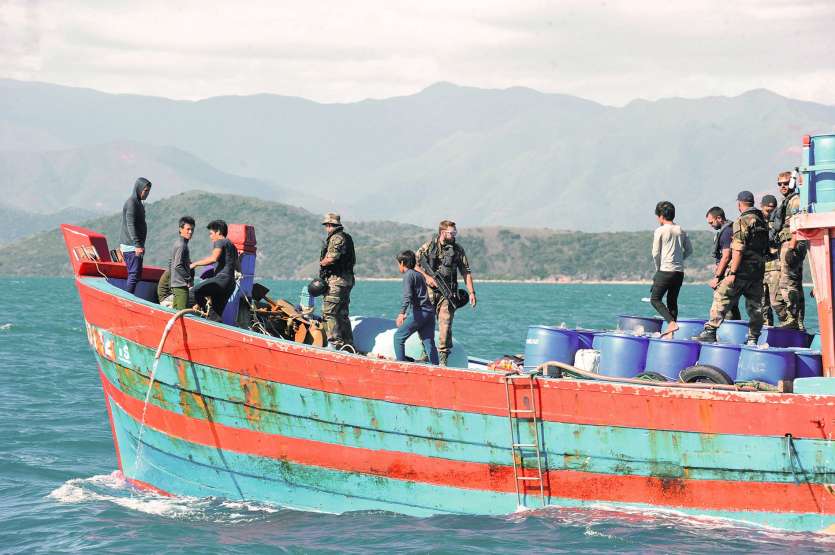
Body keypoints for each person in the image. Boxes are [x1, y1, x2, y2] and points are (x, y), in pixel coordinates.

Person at [695, 191, 768, 345]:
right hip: (757, 272)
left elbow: (737, 249)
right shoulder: (762, 221)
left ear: (739, 204)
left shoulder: (742, 221)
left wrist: (732, 272)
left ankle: (710, 331)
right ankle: (753, 337)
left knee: (721, 296)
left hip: (741, 270)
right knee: (755, 306)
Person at [415, 220, 476, 366]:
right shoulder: (428, 246)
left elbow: (465, 272)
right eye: (451, 232)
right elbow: (414, 263)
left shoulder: (458, 250)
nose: (454, 235)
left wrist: (471, 292)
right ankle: (425, 351)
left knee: (445, 325)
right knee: (424, 322)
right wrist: (427, 277)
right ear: (443, 232)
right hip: (429, 291)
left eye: (455, 232)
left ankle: (443, 357)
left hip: (447, 292)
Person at [651, 201, 692, 337]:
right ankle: (670, 334)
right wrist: (679, 259)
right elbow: (689, 250)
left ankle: (671, 323)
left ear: (661, 216)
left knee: (655, 299)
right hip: (679, 272)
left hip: (665, 270)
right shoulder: (681, 230)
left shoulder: (660, 230)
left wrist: (658, 269)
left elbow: (655, 253)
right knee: (672, 301)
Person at [393, 250, 440, 365]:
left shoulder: (408, 275)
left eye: (398, 263)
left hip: (420, 313)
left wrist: (402, 313)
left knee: (398, 337)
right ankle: (436, 367)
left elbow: (407, 296)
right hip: (429, 313)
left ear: (403, 263)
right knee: (428, 342)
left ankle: (401, 365)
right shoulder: (419, 275)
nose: (398, 266)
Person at [773, 171, 807, 329]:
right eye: (779, 184)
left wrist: (792, 246)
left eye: (785, 183)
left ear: (792, 183)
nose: (782, 186)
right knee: (795, 284)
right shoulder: (788, 201)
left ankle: (792, 319)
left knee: (787, 283)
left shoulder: (795, 201)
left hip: (791, 243)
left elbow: (799, 224)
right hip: (788, 243)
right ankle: (798, 322)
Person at [319, 213, 356, 349]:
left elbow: (332, 258)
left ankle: (335, 343)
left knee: (329, 313)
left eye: (326, 226)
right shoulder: (346, 237)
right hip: (346, 280)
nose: (326, 228)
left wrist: (322, 263)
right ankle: (348, 344)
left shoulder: (336, 238)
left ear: (329, 225)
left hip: (337, 281)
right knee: (342, 313)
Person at [191, 220, 238, 319]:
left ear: (218, 232)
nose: (210, 236)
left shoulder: (219, 241)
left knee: (196, 290)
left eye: (211, 233)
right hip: (231, 284)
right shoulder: (233, 246)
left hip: (222, 280)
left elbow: (213, 258)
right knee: (215, 316)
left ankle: (201, 308)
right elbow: (238, 267)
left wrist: (195, 264)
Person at [705, 206, 741, 320]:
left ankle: (713, 330)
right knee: (732, 305)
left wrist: (717, 277)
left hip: (727, 274)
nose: (710, 225)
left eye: (711, 222)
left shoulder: (726, 232)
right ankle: (735, 330)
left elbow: (726, 256)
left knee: (721, 301)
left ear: (719, 218)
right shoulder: (729, 229)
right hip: (732, 274)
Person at [119, 177, 152, 294]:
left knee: (137, 275)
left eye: (148, 191)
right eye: (145, 191)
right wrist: (137, 245)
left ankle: (130, 297)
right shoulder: (132, 203)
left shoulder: (138, 203)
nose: (147, 194)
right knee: (133, 274)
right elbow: (130, 225)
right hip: (131, 246)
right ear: (139, 189)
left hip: (136, 246)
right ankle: (127, 299)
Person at [760, 195, 785, 326]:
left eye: (772, 209)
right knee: (762, 304)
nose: (770, 212)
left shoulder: (780, 222)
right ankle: (766, 330)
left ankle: (788, 325)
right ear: (761, 207)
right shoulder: (756, 221)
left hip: (775, 267)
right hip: (759, 267)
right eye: (767, 210)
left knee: (777, 302)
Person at [169, 216, 195, 310]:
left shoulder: (180, 243)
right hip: (180, 286)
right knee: (181, 313)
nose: (190, 232)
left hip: (176, 285)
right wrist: (189, 279)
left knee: (175, 312)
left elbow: (171, 263)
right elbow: (177, 265)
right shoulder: (182, 245)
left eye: (192, 229)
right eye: (188, 229)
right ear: (181, 229)